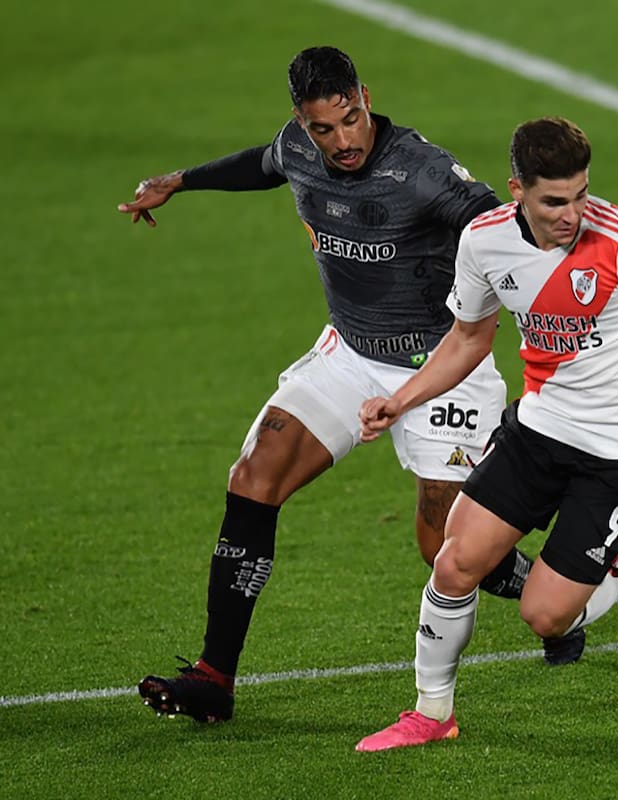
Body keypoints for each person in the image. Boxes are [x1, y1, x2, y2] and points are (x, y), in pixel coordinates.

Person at [118, 47, 580, 725]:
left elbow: (499, 223)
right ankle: (215, 677)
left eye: (351, 119)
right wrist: (178, 182)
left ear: (367, 98)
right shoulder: (296, 148)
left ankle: (560, 605)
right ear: (302, 122)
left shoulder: (421, 171)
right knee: (254, 476)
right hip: (350, 355)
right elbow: (262, 164)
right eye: (323, 129)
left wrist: (563, 293)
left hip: (440, 368)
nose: (342, 141)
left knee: (444, 548)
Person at [353, 116, 618, 750]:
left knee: (545, 616)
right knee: (454, 561)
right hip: (540, 428)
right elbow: (469, 338)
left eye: (580, 195)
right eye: (554, 202)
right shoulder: (484, 241)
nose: (573, 214)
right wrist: (399, 400)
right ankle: (432, 713)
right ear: (517, 190)